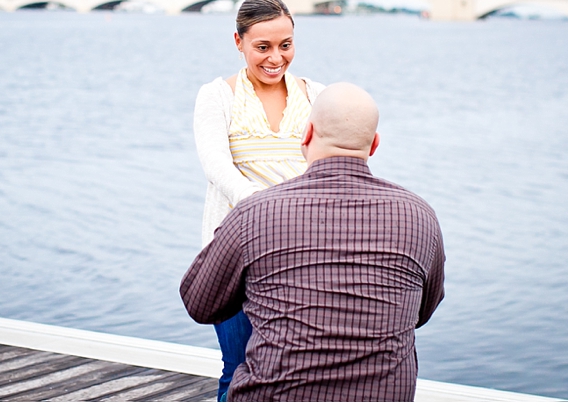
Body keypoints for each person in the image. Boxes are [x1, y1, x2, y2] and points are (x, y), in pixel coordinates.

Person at [181, 83, 445, 402]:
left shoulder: (256, 212)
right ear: (374, 144)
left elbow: (199, 303)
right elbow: (421, 312)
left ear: (306, 134)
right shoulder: (419, 216)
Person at [192, 0, 324, 400]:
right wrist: (267, 211)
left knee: (299, 373)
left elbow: (327, 170)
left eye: (285, 45)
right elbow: (217, 168)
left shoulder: (318, 95)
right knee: (238, 369)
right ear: (238, 42)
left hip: (299, 258)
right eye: (262, 47)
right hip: (234, 256)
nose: (275, 57)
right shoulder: (216, 96)